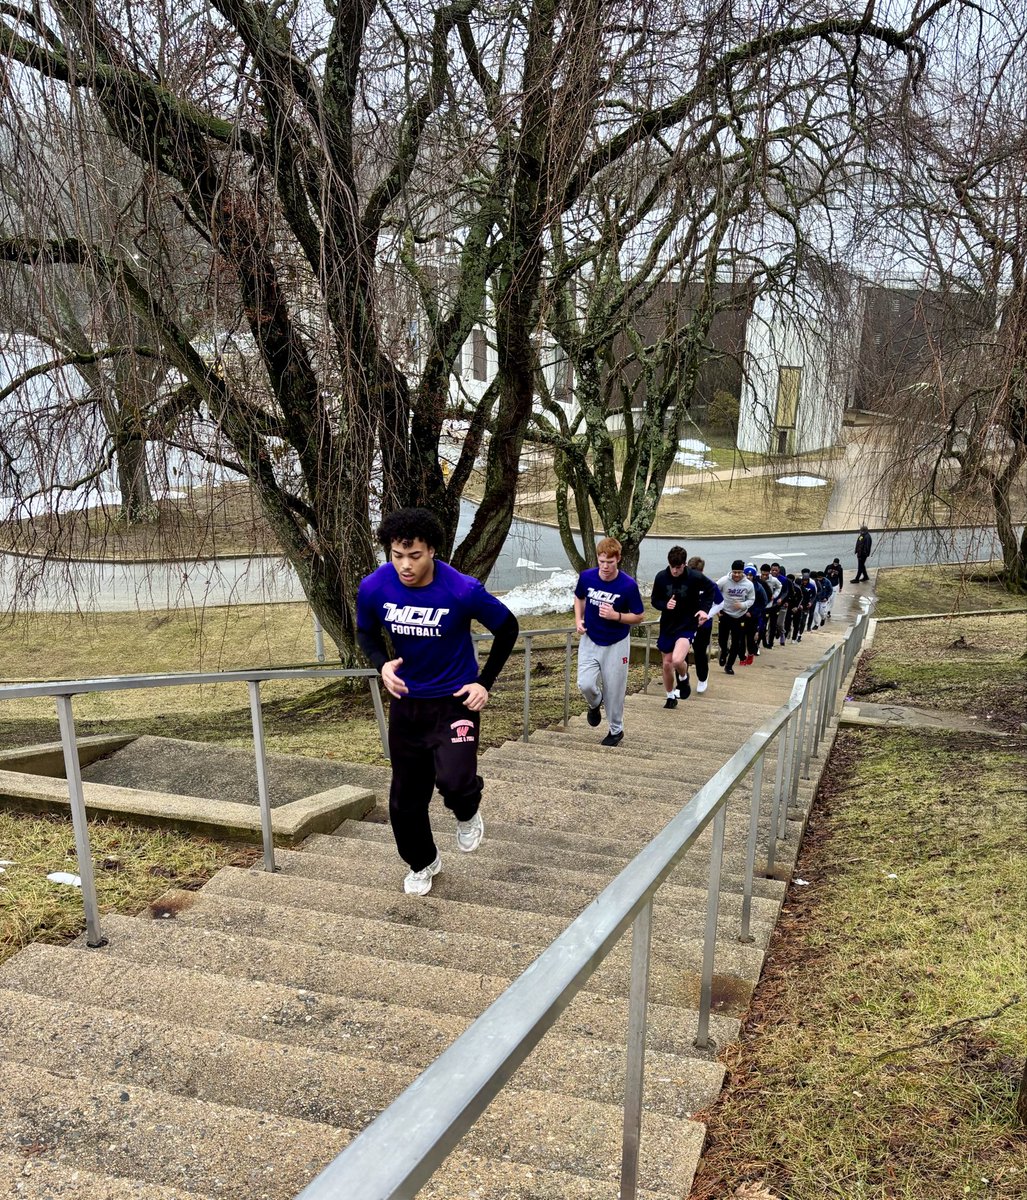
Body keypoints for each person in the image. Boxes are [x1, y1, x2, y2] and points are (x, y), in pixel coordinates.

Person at [357, 507, 519, 896]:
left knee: (455, 781)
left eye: (414, 556)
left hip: (454, 701)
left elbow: (508, 627)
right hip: (408, 704)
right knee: (403, 800)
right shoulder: (375, 587)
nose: (405, 565)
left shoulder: (461, 589)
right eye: (397, 555)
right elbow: (366, 633)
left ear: (432, 550)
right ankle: (423, 862)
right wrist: (382, 666)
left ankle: (467, 814)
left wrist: (485, 683)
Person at [574, 537, 646, 746]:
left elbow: (639, 616)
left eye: (610, 562)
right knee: (585, 683)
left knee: (614, 690)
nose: (605, 567)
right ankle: (595, 703)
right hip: (590, 638)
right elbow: (579, 598)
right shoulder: (586, 577)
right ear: (598, 558)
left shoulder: (627, 585)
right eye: (602, 561)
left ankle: (616, 730)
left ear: (618, 559)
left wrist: (617, 616)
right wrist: (578, 620)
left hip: (617, 642)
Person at [650, 546, 721, 707]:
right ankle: (670, 696)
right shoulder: (661, 577)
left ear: (684, 565)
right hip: (668, 625)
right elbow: (655, 599)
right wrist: (665, 604)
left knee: (676, 660)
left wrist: (704, 610)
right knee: (667, 663)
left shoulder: (694, 577)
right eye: (672, 567)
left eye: (678, 567)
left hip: (687, 624)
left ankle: (683, 678)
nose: (674, 571)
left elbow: (711, 590)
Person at [686, 556, 722, 694]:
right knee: (681, 655)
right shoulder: (683, 583)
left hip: (703, 626)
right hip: (685, 624)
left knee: (700, 654)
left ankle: (702, 678)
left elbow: (720, 603)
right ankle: (683, 682)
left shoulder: (710, 585)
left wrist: (707, 615)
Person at [715, 559, 755, 675]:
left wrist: (742, 605)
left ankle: (729, 665)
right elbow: (714, 593)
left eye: (739, 572)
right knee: (722, 639)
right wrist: (717, 609)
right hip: (725, 614)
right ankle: (724, 651)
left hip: (739, 616)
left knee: (736, 642)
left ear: (743, 572)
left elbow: (751, 599)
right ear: (731, 571)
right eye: (735, 572)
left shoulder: (748, 584)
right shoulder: (723, 581)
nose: (736, 575)